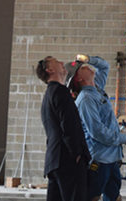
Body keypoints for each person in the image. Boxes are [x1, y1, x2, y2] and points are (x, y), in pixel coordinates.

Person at [65, 54, 126, 201]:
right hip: (99, 160)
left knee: (114, 197)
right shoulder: (86, 99)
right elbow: (97, 132)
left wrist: (89, 59)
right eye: (81, 68)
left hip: (111, 159)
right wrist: (123, 138)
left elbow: (104, 66)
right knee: (92, 197)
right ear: (79, 79)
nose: (85, 67)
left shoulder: (96, 88)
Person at [36, 56, 91, 201]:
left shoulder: (49, 94)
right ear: (50, 70)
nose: (62, 63)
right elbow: (69, 125)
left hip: (55, 160)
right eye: (56, 61)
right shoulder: (60, 92)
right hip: (68, 160)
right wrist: (77, 153)